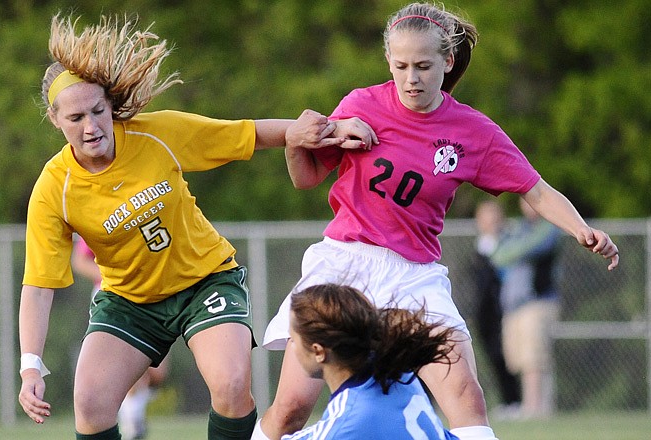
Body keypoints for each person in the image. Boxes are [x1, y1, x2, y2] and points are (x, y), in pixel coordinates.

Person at [253, 3, 620, 440]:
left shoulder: (473, 131)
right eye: (401, 66)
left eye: (424, 66)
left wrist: (581, 228)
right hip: (343, 266)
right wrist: (297, 140)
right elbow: (306, 178)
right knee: (291, 409)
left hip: (414, 277)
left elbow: (535, 190)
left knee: (466, 397)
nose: (412, 78)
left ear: (447, 62)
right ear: (388, 61)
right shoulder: (361, 104)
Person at [17, 13, 373, 440]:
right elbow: (38, 286)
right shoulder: (54, 189)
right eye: (76, 118)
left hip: (206, 281)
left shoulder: (155, 134)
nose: (92, 127)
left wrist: (323, 129)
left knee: (231, 385)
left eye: (98, 111)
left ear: (111, 104)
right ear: (55, 119)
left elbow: (245, 134)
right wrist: (30, 366)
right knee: (90, 404)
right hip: (130, 301)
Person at [282, 283, 459, 440]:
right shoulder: (395, 372)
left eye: (293, 339)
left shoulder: (347, 421)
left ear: (318, 352)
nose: (291, 346)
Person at [72, 238, 169, 439]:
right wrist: (116, 278)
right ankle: (131, 423)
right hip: (115, 299)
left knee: (158, 372)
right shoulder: (101, 213)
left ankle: (131, 412)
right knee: (131, 366)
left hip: (149, 294)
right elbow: (80, 260)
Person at [490, 198, 562, 419]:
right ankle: (533, 406)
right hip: (514, 305)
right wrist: (514, 249)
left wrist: (514, 249)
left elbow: (531, 247)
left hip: (538, 302)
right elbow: (497, 255)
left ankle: (535, 408)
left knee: (535, 357)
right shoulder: (518, 228)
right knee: (519, 359)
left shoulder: (549, 227)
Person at [471, 200, 521, 416]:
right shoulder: (479, 246)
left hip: (505, 307)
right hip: (485, 311)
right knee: (492, 354)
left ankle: (516, 400)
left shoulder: (509, 243)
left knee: (508, 354)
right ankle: (506, 400)